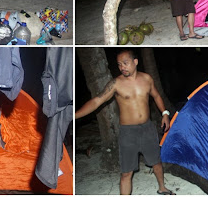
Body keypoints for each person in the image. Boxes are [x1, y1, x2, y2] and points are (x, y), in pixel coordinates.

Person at [75, 49, 175, 195]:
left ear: (135, 62)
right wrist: (75, 115)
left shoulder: (147, 79)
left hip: (148, 128)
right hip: (128, 133)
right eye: (119, 64)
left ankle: (162, 187)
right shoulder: (116, 84)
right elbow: (97, 101)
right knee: (126, 172)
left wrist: (165, 114)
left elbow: (157, 96)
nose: (122, 67)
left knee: (156, 162)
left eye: (125, 63)